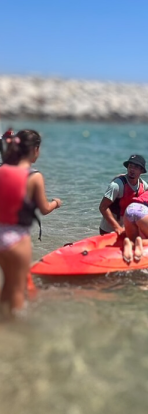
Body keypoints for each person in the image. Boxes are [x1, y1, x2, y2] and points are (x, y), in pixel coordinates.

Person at [0, 129, 62, 315]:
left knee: (8, 284)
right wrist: (56, 203)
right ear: (35, 149)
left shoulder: (2, 169)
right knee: (18, 288)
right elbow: (44, 209)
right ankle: (16, 332)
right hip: (16, 238)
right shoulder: (34, 176)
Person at [99, 154, 148, 235]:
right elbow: (102, 207)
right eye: (130, 166)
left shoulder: (144, 186)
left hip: (127, 229)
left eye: (135, 167)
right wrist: (116, 227)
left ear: (141, 171)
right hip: (108, 230)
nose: (132, 169)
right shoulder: (117, 185)